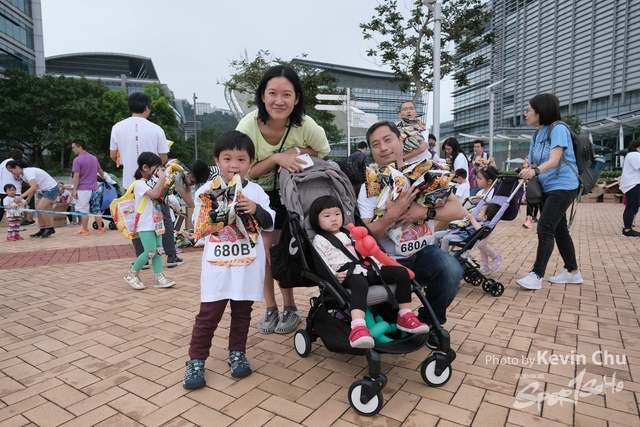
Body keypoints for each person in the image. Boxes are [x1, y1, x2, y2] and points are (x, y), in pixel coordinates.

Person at [236, 65, 330, 334]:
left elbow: (323, 152)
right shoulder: (247, 127)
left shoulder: (306, 125)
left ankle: (289, 307)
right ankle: (270, 307)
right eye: (272, 93)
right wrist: (277, 158)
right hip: (255, 195)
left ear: (297, 98)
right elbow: (243, 170)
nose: (279, 101)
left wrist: (296, 150)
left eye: (287, 94)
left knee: (278, 252)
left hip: (290, 194)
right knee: (263, 253)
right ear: (262, 96)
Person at [358, 121, 465, 349]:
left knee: (451, 270)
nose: (383, 147)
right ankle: (395, 318)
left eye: (388, 139)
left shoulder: (425, 174)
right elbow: (366, 234)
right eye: (375, 144)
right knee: (389, 322)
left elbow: (458, 211)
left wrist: (424, 212)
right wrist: (391, 215)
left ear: (400, 141)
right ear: (371, 151)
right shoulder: (370, 185)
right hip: (387, 259)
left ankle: (431, 322)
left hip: (423, 251)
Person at [183, 131, 275, 388]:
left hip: (247, 265)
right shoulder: (207, 191)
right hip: (217, 266)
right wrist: (219, 211)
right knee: (208, 314)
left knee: (242, 312)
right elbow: (198, 226)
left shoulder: (256, 192)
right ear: (217, 161)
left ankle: (237, 353)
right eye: (227, 159)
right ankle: (196, 360)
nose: (234, 165)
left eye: (241, 159)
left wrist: (254, 209)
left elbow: (270, 222)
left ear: (251, 163)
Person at [310, 195, 429, 348]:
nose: (333, 219)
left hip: (370, 269)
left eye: (337, 214)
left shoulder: (352, 232)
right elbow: (322, 263)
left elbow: (369, 250)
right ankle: (358, 327)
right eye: (327, 216)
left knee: (402, 273)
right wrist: (333, 275)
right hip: (347, 275)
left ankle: (404, 315)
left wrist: (380, 263)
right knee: (359, 282)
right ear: (316, 220)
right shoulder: (320, 239)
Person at [516, 93, 583, 290]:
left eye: (528, 110)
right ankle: (572, 272)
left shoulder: (558, 128)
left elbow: (554, 160)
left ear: (540, 111)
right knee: (559, 229)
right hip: (547, 187)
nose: (526, 114)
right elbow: (534, 163)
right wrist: (526, 170)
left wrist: (534, 171)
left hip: (563, 186)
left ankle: (536, 275)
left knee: (545, 227)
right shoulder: (536, 134)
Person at [110, 92, 184, 268]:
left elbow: (113, 155)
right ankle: (171, 256)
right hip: (155, 181)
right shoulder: (156, 129)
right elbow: (163, 157)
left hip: (131, 182)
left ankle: (142, 259)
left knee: (135, 217)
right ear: (147, 107)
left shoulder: (117, 127)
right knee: (163, 216)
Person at [123, 152, 177, 290]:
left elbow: (160, 195)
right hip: (145, 223)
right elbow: (155, 194)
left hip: (156, 222)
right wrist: (162, 178)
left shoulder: (151, 182)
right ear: (145, 167)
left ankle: (159, 277)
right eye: (156, 167)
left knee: (158, 250)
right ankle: (132, 274)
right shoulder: (139, 184)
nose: (159, 171)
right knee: (150, 251)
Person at [6, 161, 60, 238]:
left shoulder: (28, 172)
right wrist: (27, 200)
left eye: (11, 171)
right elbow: (34, 188)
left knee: (40, 208)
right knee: (38, 209)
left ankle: (49, 228)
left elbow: (33, 187)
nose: (12, 173)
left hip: (51, 189)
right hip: (42, 190)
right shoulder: (23, 175)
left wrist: (21, 196)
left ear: (17, 167)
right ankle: (42, 229)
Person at [70, 139, 106, 235]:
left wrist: (74, 190)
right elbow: (100, 171)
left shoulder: (77, 160)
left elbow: (76, 176)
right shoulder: (94, 158)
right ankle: (100, 228)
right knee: (96, 208)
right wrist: (104, 178)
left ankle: (85, 229)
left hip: (83, 189)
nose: (73, 149)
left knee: (84, 209)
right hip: (94, 187)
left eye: (74, 147)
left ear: (80, 147)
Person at [471, 166, 503, 273]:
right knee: (481, 243)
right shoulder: (479, 193)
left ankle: (496, 257)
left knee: (481, 244)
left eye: (480, 178)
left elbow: (491, 208)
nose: (477, 180)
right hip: (477, 222)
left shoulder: (493, 193)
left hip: (487, 223)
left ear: (489, 181)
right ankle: (484, 265)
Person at [434, 203, 501, 253]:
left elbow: (480, 229)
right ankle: (434, 252)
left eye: (480, 212)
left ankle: (443, 257)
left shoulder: (485, 224)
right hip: (458, 232)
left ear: (485, 217)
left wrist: (472, 219)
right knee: (436, 235)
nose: (478, 213)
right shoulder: (477, 220)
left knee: (446, 239)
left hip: (464, 237)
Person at [620, 140, 640, 238]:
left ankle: (627, 229)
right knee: (632, 207)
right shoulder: (635, 155)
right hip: (633, 184)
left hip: (630, 184)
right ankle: (627, 230)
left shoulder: (629, 155)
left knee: (632, 206)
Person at [0, 148, 24, 223]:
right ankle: (16, 226)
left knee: (2, 210)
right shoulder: (17, 163)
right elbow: (19, 176)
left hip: (3, 190)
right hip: (15, 191)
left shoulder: (3, 163)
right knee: (16, 211)